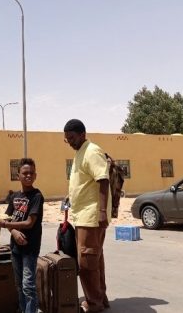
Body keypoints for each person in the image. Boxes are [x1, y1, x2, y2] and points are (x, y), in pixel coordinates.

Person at [64, 119, 112, 313]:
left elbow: (103, 180)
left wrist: (101, 211)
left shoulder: (92, 151)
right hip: (82, 215)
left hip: (91, 216)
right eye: (67, 139)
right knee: (94, 258)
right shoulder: (80, 152)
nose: (69, 142)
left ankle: (93, 304)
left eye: (72, 138)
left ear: (82, 134)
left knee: (86, 262)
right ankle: (100, 298)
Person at [0, 158, 43, 313]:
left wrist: (7, 225)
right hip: (15, 248)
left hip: (30, 248)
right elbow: (6, 218)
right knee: (19, 284)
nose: (28, 176)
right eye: (25, 173)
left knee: (28, 286)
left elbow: (29, 222)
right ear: (18, 176)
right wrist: (13, 231)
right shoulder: (14, 196)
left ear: (35, 176)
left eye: (31, 173)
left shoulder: (37, 196)